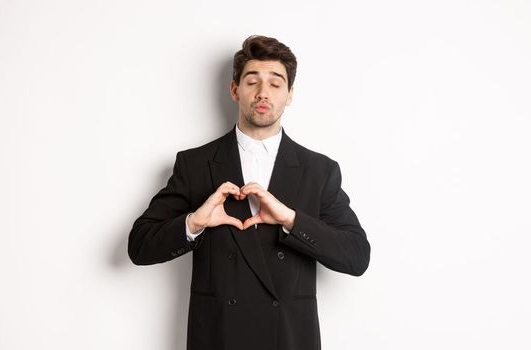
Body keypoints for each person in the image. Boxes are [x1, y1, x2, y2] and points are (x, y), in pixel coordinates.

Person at [129, 35, 370, 350]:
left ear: (290, 94)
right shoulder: (195, 164)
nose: (263, 92)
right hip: (219, 337)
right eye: (252, 81)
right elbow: (140, 246)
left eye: (275, 83)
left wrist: (292, 221)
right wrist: (194, 223)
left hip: (288, 339)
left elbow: (356, 256)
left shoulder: (318, 171)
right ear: (235, 90)